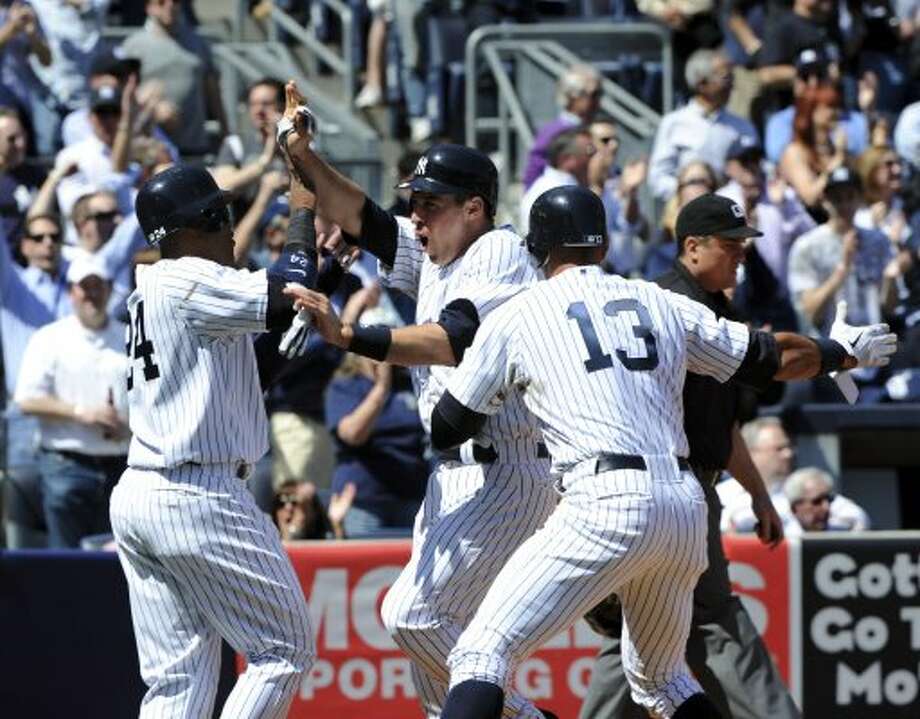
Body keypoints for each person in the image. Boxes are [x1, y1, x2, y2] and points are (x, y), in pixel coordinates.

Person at [425, 185, 896, 719]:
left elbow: (447, 427)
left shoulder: (517, 313)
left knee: (480, 653)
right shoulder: (658, 298)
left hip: (602, 501)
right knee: (664, 681)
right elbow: (769, 356)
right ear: (602, 247)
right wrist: (841, 352)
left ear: (537, 249)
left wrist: (462, 372)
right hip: (683, 505)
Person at [280, 81, 557, 719]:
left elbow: (452, 339)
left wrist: (352, 335)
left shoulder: (501, 254)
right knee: (436, 681)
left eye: (431, 204)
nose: (417, 216)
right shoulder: (438, 252)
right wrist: (304, 155)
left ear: (475, 208)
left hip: (509, 468)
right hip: (459, 475)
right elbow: (363, 217)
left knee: (412, 615)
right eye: (417, 201)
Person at [108, 155, 320, 716]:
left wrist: (334, 270)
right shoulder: (186, 278)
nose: (230, 231)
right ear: (187, 231)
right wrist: (302, 206)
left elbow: (259, 362)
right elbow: (292, 288)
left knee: (178, 683)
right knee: (283, 649)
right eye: (218, 219)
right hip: (197, 492)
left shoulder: (158, 288)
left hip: (145, 491)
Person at [580, 192, 799, 719]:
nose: (741, 254)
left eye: (744, 244)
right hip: (668, 487)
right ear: (692, 246)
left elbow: (719, 423)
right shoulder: (665, 307)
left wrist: (759, 494)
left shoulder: (715, 308)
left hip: (667, 488)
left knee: (640, 629)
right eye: (731, 244)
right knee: (715, 621)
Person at [14, 256, 129, 549]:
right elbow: (26, 400)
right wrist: (82, 413)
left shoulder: (128, 337)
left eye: (97, 286)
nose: (91, 294)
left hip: (122, 468)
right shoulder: (49, 338)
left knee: (117, 566)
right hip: (67, 468)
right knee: (66, 565)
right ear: (71, 292)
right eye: (84, 287)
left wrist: (128, 426)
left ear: (108, 289)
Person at [324, 306, 428, 537]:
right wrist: (381, 389)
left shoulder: (411, 383)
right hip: (364, 500)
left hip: (411, 496)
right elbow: (351, 435)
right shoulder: (347, 384)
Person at [1, 212, 70, 548]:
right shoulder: (12, 286)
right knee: (21, 525)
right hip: (24, 419)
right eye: (39, 238)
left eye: (55, 237)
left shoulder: (81, 286)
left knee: (71, 526)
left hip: (76, 417)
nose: (48, 244)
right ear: (24, 245)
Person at [787, 166, 894, 337]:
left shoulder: (878, 241)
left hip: (873, 348)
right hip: (829, 352)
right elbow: (808, 314)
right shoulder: (806, 246)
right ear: (825, 200)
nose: (844, 205)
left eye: (850, 197)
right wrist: (842, 270)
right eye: (837, 198)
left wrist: (891, 277)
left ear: (859, 198)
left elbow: (889, 308)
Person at [648, 48, 758, 202]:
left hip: (731, 213)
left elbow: (755, 172)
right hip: (687, 215)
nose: (732, 86)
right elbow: (658, 178)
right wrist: (690, 192)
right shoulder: (674, 123)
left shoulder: (742, 127)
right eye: (726, 78)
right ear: (702, 83)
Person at [120, 0, 227, 155]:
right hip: (151, 150)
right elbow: (124, 94)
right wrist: (151, 109)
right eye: (161, 2)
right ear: (149, 7)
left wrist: (226, 132)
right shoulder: (133, 46)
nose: (170, 6)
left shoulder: (197, 43)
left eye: (175, 1)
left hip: (193, 146)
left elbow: (213, 92)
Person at [522, 63, 602, 189]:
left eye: (600, 93)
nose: (599, 101)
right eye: (594, 94)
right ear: (572, 96)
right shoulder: (553, 132)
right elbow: (533, 175)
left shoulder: (597, 128)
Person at [520, 126, 594, 235]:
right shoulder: (549, 194)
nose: (598, 157)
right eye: (590, 152)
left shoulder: (571, 189)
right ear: (566, 159)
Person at [783, 466, 870, 533]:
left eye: (829, 500)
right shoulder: (781, 541)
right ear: (794, 508)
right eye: (817, 502)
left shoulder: (842, 535)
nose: (826, 507)